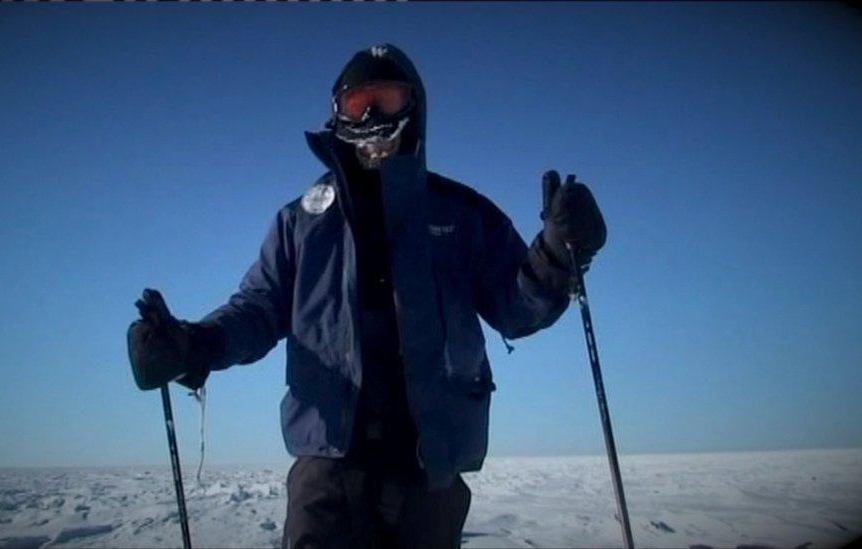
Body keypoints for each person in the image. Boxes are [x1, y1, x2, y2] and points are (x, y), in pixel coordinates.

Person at [127, 43, 606, 549]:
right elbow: (257, 309)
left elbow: (516, 305)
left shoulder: (462, 215)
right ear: (337, 113)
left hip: (430, 472)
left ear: (415, 106)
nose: (373, 115)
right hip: (329, 471)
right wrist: (193, 345)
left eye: (388, 98)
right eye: (358, 103)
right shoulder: (300, 223)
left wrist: (556, 254)